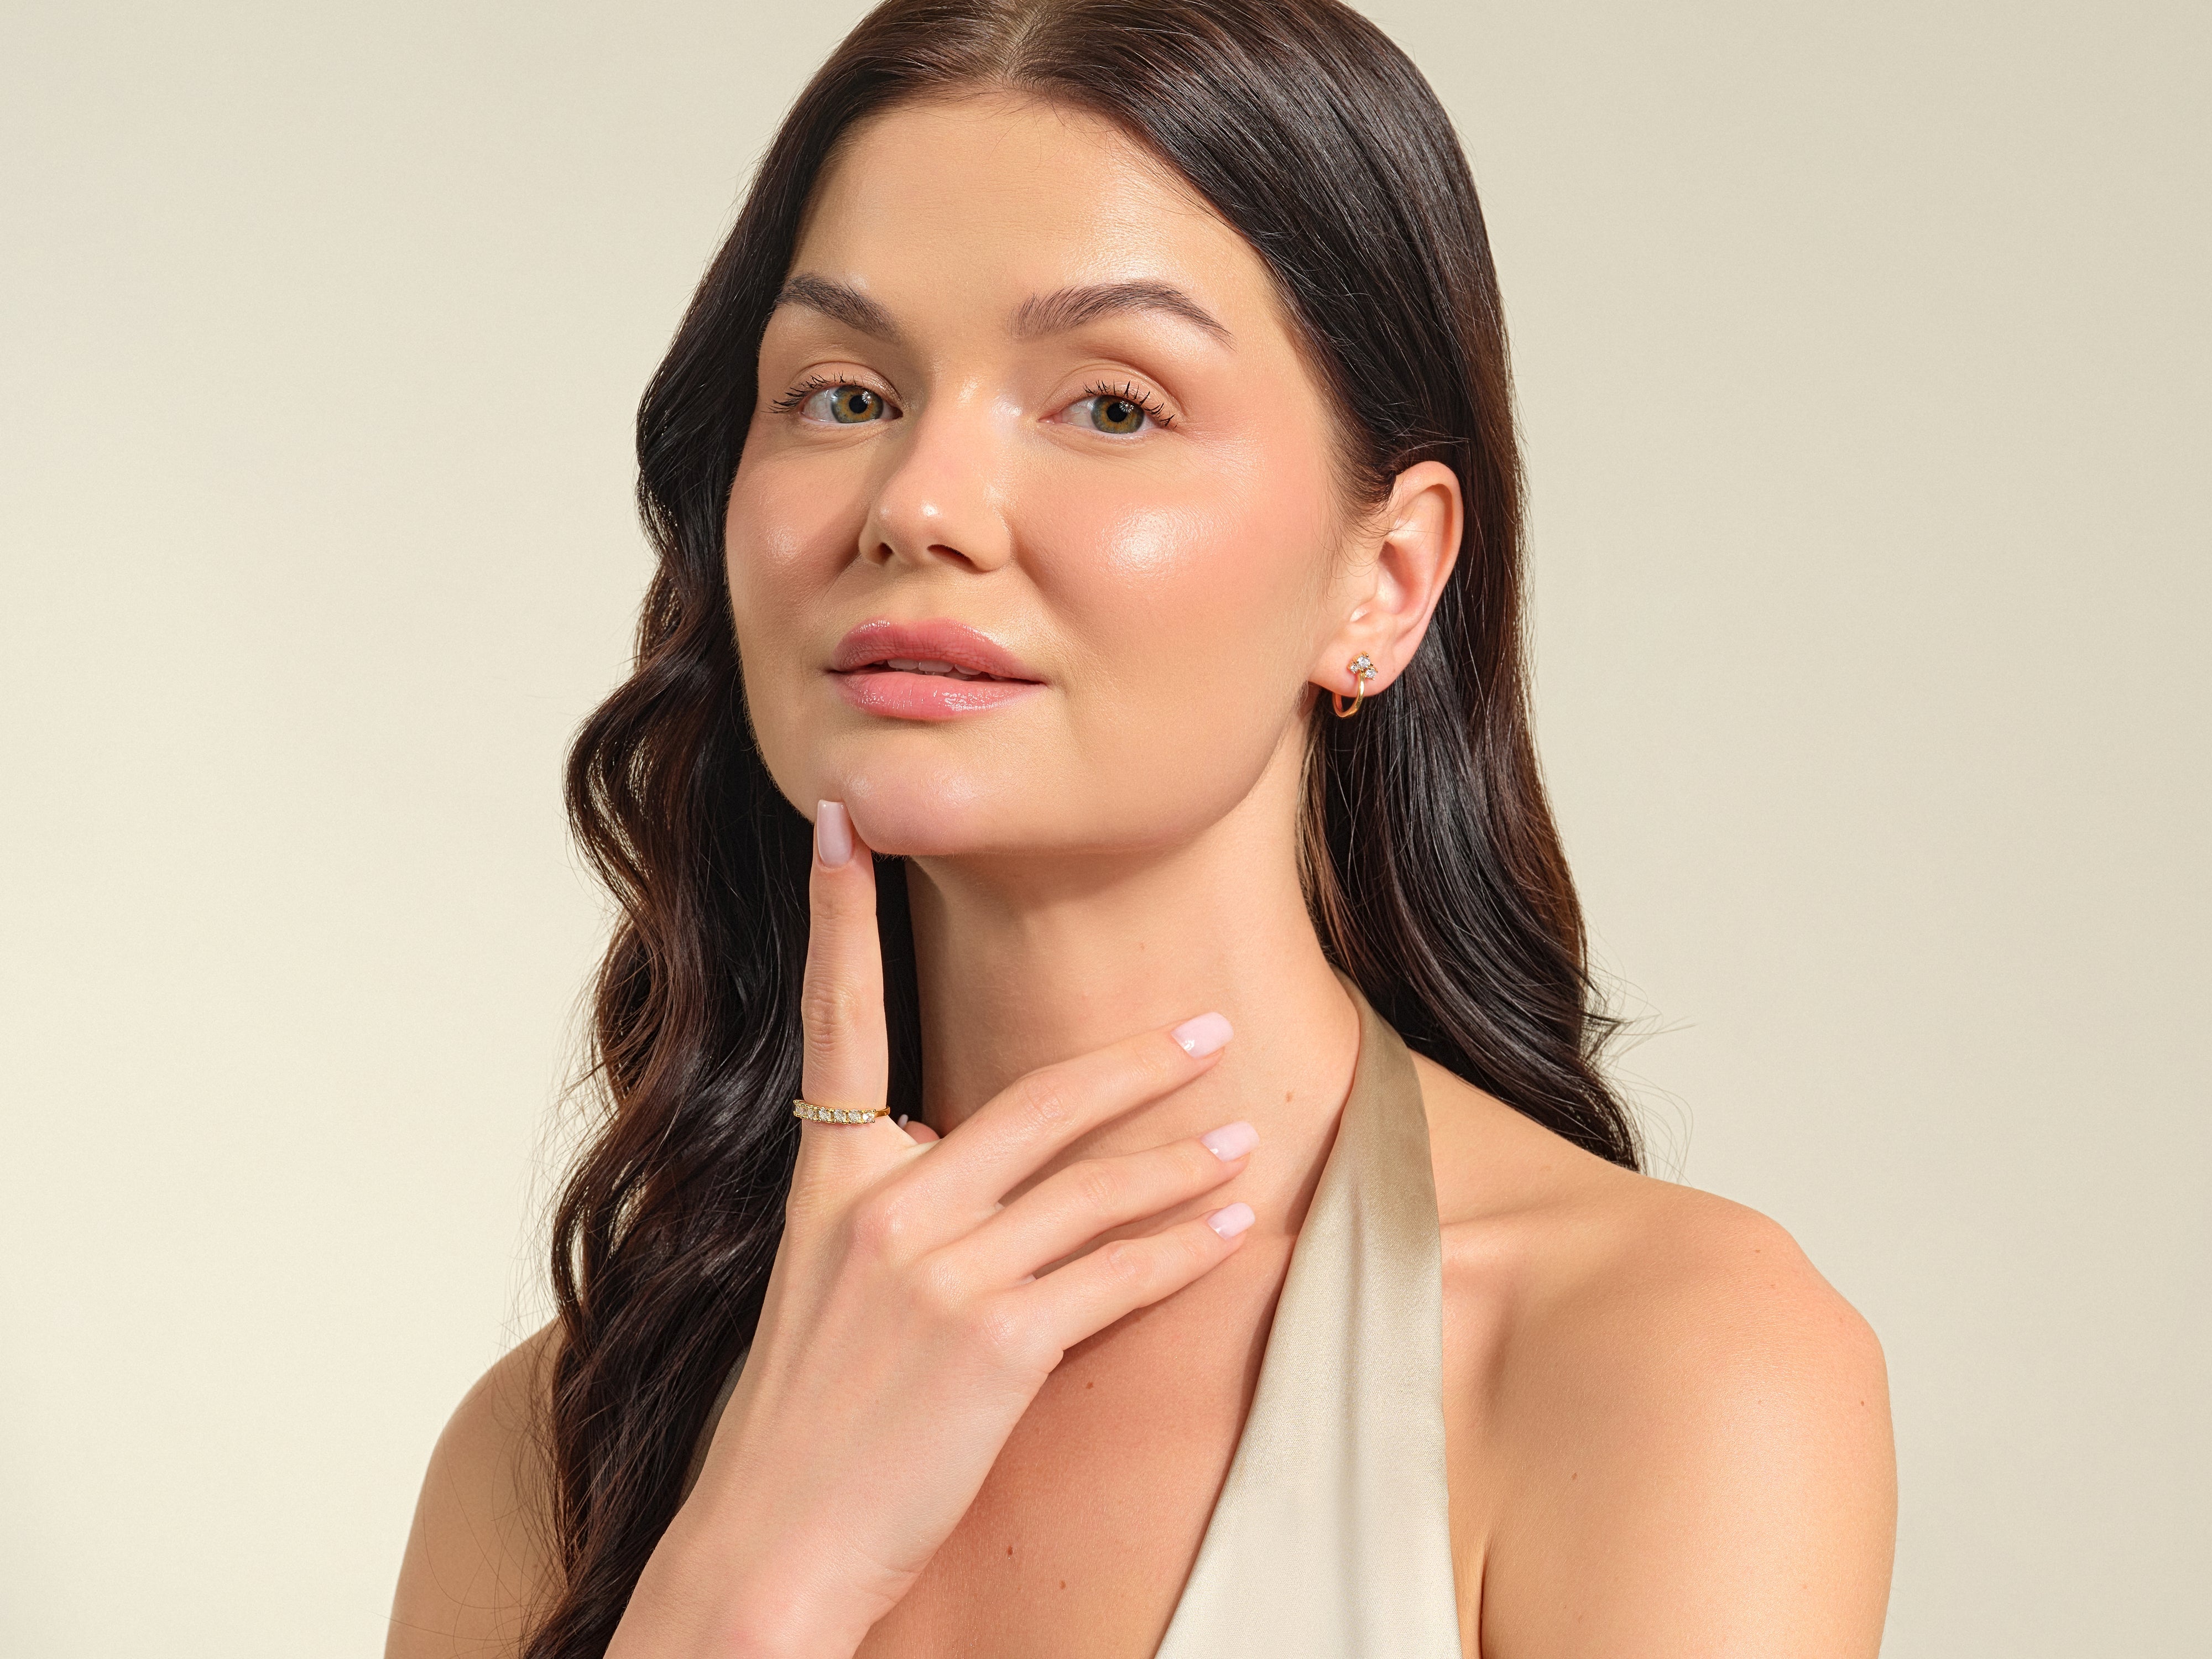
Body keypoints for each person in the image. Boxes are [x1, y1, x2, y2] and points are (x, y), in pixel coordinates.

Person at [386, 2, 1897, 1654]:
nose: (920, 504)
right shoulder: (556, 1448)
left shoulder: (1660, 1366)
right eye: (839, 394)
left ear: (1383, 580)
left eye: (1112, 406)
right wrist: (755, 1573)